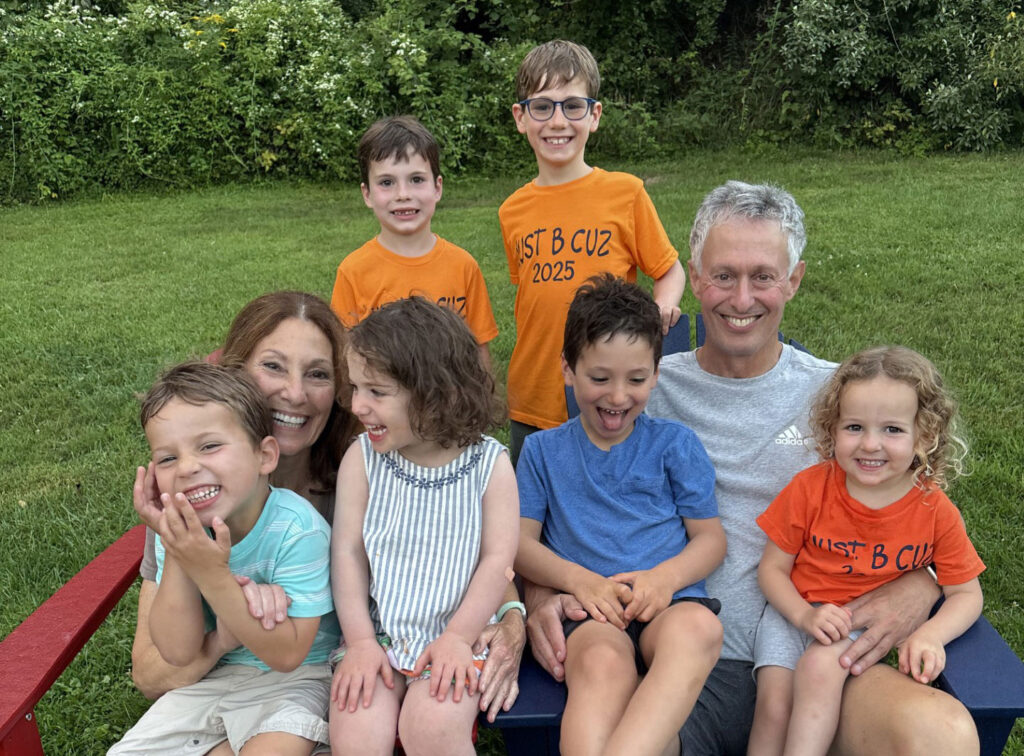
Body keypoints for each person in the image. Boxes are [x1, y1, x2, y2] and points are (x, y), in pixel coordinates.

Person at [527, 181, 980, 755]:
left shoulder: (847, 401)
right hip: (667, 661)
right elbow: (550, 499)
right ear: (694, 276)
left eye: (763, 276)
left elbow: (928, 516)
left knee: (944, 735)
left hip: (817, 655)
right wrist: (537, 599)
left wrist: (923, 583)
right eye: (723, 275)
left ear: (794, 280)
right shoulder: (639, 389)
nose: (741, 299)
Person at [130, 291, 524, 724]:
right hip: (227, 690)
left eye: (317, 374)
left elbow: (459, 546)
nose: (294, 393)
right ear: (235, 374)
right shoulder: (194, 496)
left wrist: (510, 619)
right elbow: (151, 673)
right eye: (273, 367)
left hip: (321, 687)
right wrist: (229, 625)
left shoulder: (372, 468)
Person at [515, 274, 726, 756]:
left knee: (700, 630)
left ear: (656, 373)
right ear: (568, 369)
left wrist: (665, 579)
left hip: (667, 601)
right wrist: (580, 581)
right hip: (590, 612)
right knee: (602, 668)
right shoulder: (542, 452)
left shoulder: (675, 444)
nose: (617, 397)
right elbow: (519, 544)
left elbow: (710, 539)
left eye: (636, 379)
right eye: (599, 378)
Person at [752, 346, 984, 755]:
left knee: (822, 668)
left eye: (893, 430)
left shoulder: (934, 511)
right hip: (793, 614)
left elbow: (966, 594)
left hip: (858, 621)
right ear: (833, 427)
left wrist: (931, 635)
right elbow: (772, 569)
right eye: (854, 427)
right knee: (773, 706)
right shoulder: (810, 488)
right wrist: (804, 615)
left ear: (924, 436)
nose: (870, 445)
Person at [110, 362, 337, 754]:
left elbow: (286, 654)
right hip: (211, 678)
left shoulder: (299, 530)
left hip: (297, 679)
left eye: (210, 445)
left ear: (265, 455)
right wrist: (182, 555)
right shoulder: (177, 533)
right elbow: (179, 652)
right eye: (166, 459)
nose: (187, 468)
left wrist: (212, 575)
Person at [329, 297, 519, 756]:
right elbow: (348, 553)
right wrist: (358, 641)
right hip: (379, 635)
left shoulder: (488, 466)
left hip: (459, 635)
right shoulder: (363, 460)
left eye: (376, 392)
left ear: (435, 392)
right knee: (356, 728)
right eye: (356, 388)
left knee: (431, 728)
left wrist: (456, 637)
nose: (358, 405)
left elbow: (497, 562)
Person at [498, 39, 686, 463]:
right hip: (533, 396)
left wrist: (660, 313)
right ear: (520, 118)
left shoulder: (625, 192)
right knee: (531, 515)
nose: (557, 120)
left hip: (606, 392)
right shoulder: (512, 210)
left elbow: (669, 270)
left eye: (572, 106)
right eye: (542, 106)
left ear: (594, 115)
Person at [330, 115, 498, 369]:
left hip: (452, 404)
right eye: (387, 182)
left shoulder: (463, 266)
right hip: (383, 404)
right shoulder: (354, 271)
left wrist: (483, 404)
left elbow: (479, 351)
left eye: (417, 180)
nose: (403, 195)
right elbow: (344, 356)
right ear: (367, 194)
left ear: (437, 187)